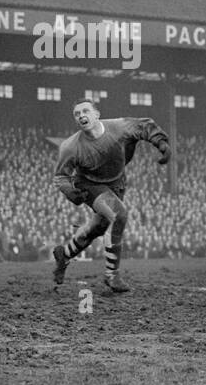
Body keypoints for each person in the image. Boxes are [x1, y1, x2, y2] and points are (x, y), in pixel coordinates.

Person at [50, 100, 170, 293]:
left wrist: (161, 142)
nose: (81, 116)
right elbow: (61, 177)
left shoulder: (120, 127)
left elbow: (145, 125)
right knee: (119, 214)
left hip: (117, 182)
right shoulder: (70, 146)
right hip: (89, 184)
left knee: (98, 227)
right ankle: (112, 275)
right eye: (76, 114)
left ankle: (64, 254)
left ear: (97, 114)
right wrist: (72, 193)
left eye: (85, 111)